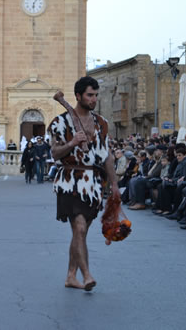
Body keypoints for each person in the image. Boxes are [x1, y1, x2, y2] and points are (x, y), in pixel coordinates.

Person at [48, 76, 120, 291]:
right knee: (79, 229)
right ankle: (87, 275)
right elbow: (54, 153)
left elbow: (106, 156)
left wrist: (114, 185)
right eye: (90, 95)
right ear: (78, 96)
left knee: (81, 232)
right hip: (70, 180)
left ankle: (71, 276)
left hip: (94, 184)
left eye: (96, 95)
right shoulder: (60, 123)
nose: (94, 99)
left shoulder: (102, 123)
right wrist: (72, 142)